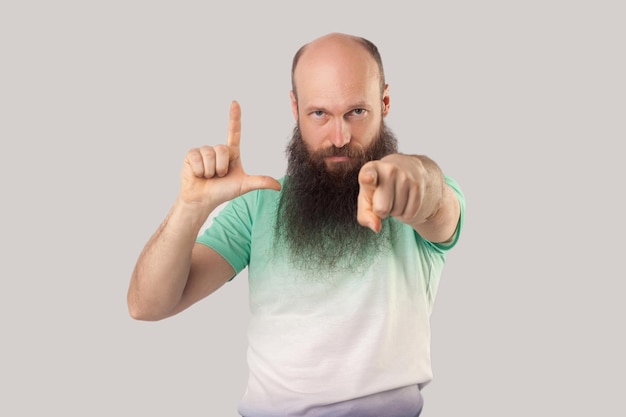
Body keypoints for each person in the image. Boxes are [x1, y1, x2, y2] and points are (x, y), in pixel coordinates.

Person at [128, 32, 465, 417]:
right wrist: (189, 206)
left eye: (356, 112)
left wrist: (418, 181)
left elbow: (436, 202)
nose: (339, 138)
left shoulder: (413, 195)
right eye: (319, 113)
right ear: (295, 107)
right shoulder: (260, 203)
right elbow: (147, 305)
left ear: (384, 102)